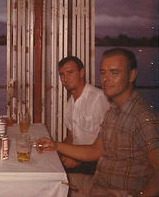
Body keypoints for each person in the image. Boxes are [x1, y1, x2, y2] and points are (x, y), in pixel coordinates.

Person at [36, 48, 159, 196]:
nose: (106, 79)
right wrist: (55, 145)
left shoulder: (143, 116)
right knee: (44, 184)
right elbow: (96, 150)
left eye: (114, 72)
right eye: (103, 72)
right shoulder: (113, 111)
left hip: (115, 191)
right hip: (97, 181)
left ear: (132, 75)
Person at [58, 56, 110, 175]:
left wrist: (78, 160)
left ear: (82, 73)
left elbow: (110, 143)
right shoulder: (71, 102)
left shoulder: (98, 97)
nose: (65, 78)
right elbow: (71, 137)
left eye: (70, 72)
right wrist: (56, 153)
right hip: (78, 160)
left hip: (97, 166)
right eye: (62, 74)